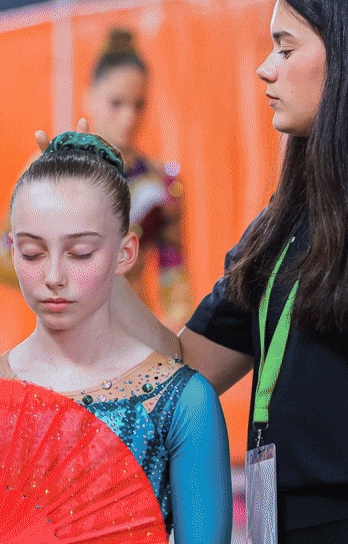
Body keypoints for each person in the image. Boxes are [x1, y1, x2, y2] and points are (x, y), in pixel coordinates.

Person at [88, 0, 348, 540]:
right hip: (275, 518)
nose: (265, 67)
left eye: (286, 47)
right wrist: (94, 245)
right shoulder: (282, 222)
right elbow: (185, 364)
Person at [0, 132, 233, 543]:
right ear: (12, 251)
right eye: (32, 252)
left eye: (80, 252)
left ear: (126, 252)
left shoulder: (181, 402)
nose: (53, 277)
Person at [0, 29, 192, 331]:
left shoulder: (160, 182)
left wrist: (174, 341)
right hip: (62, 333)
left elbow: (174, 276)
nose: (128, 118)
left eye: (138, 105)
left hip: (130, 337)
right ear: (89, 98)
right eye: (116, 103)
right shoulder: (51, 167)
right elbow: (2, 257)